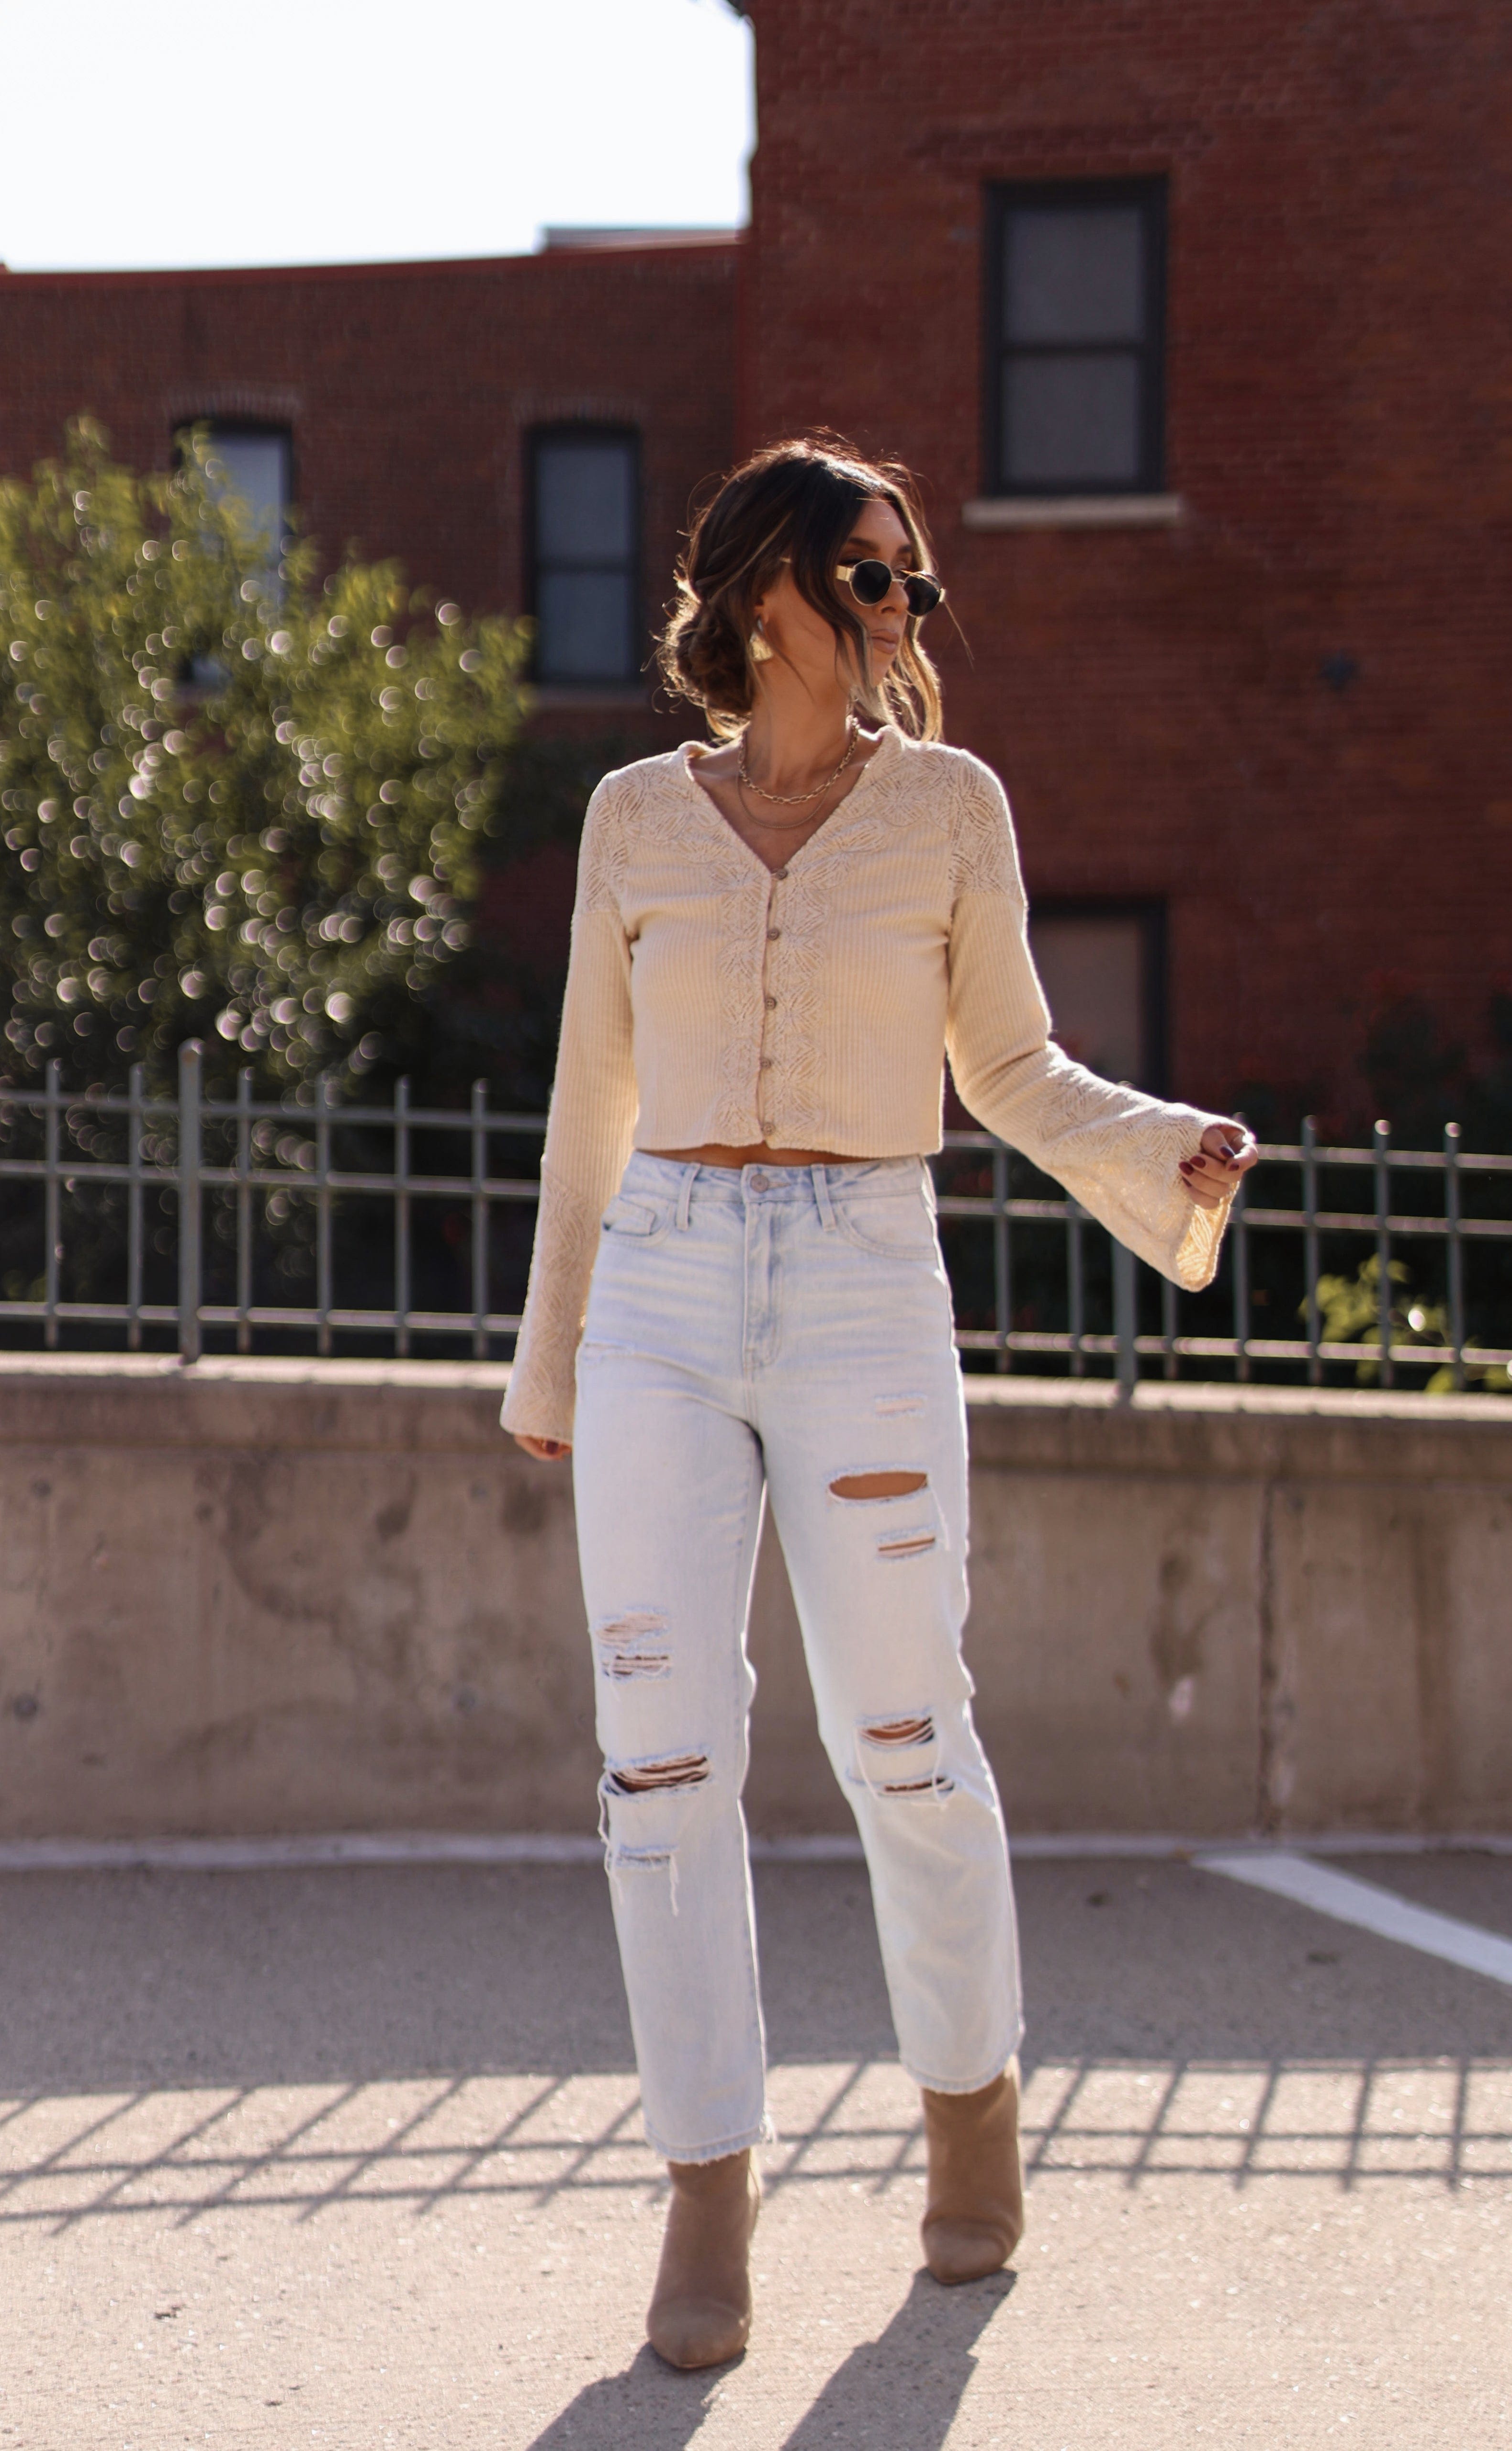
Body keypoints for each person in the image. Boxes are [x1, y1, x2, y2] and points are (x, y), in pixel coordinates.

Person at [501, 436, 1255, 2370]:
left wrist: (1164, 1149)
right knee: (655, 1757)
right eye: (875, 571)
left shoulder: (949, 810)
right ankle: (706, 2192)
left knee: (905, 1733)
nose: (909, 606)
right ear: (773, 589)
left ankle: (968, 2098)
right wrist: (554, 1347)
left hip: (859, 1274)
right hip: (664, 1278)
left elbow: (1007, 1065)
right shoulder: (627, 822)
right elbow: (591, 1098)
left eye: (913, 576)